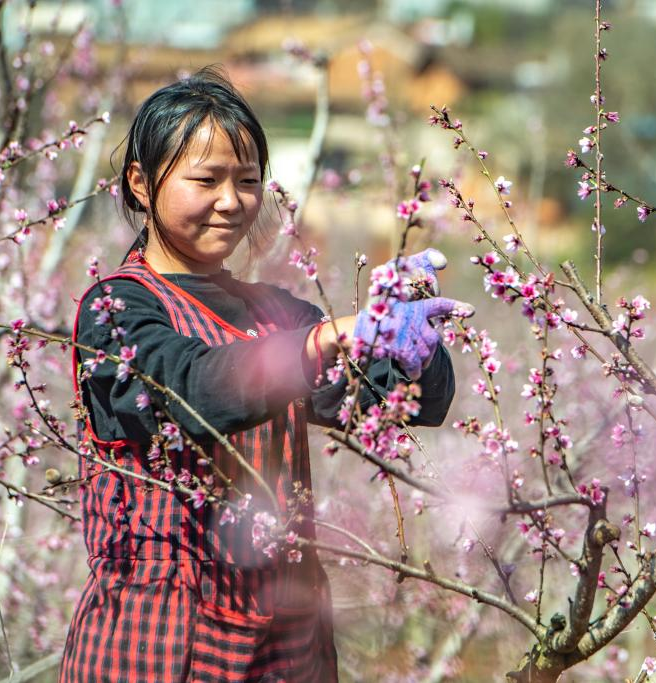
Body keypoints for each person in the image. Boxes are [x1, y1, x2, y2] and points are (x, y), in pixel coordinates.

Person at [59, 65, 469, 683]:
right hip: (154, 643)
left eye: (248, 181)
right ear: (141, 184)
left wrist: (411, 341)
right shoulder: (115, 308)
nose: (231, 202)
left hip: (283, 648)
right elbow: (188, 387)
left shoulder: (278, 314)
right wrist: (325, 339)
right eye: (206, 180)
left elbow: (401, 405)